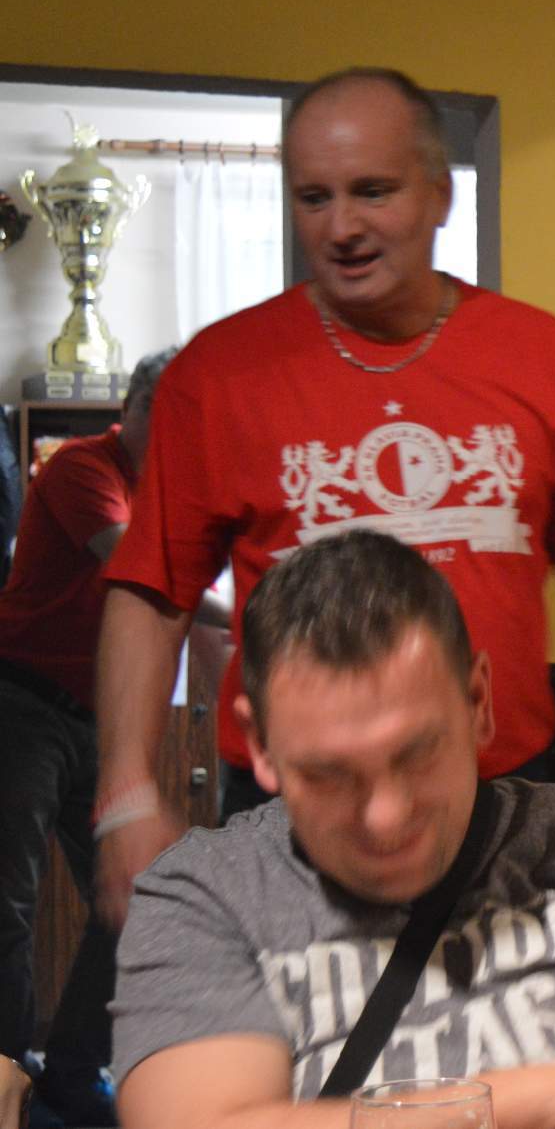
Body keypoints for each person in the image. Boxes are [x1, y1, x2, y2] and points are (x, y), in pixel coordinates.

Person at [93, 66, 555, 932]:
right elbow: (151, 593)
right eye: (314, 198)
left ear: (439, 195)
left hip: (505, 806)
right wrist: (126, 796)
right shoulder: (218, 375)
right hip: (294, 817)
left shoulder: (538, 355)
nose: (343, 228)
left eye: (373, 191)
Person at [111, 530, 555, 1129]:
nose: (386, 816)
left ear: (479, 702)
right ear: (259, 744)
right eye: (331, 775)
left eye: (417, 753)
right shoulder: (202, 895)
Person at [0, 349, 218, 1125]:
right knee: (10, 897)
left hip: (96, 716)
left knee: (136, 885)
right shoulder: (80, 468)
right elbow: (134, 567)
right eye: (173, 418)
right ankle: (7, 1069)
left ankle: (73, 1064)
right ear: (137, 411)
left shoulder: (174, 492)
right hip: (23, 703)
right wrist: (252, 609)